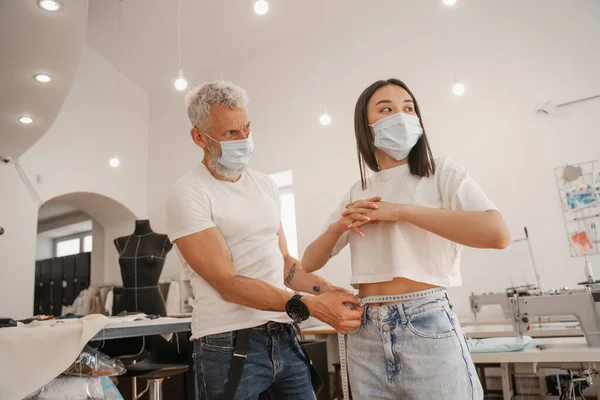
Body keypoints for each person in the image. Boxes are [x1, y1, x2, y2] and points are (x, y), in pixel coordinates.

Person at [302, 78, 510, 400]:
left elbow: (496, 234)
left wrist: (400, 211)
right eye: (386, 109)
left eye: (408, 108)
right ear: (366, 127)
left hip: (426, 322)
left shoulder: (441, 172)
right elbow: (309, 262)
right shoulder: (358, 191)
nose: (401, 116)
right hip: (364, 328)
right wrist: (337, 228)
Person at [165, 81, 363, 400]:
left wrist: (327, 290)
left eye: (246, 128)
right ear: (199, 137)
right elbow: (227, 282)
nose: (244, 140)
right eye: (230, 133)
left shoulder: (265, 185)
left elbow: (285, 263)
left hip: (283, 331)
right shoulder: (188, 194)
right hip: (226, 341)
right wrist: (310, 305)